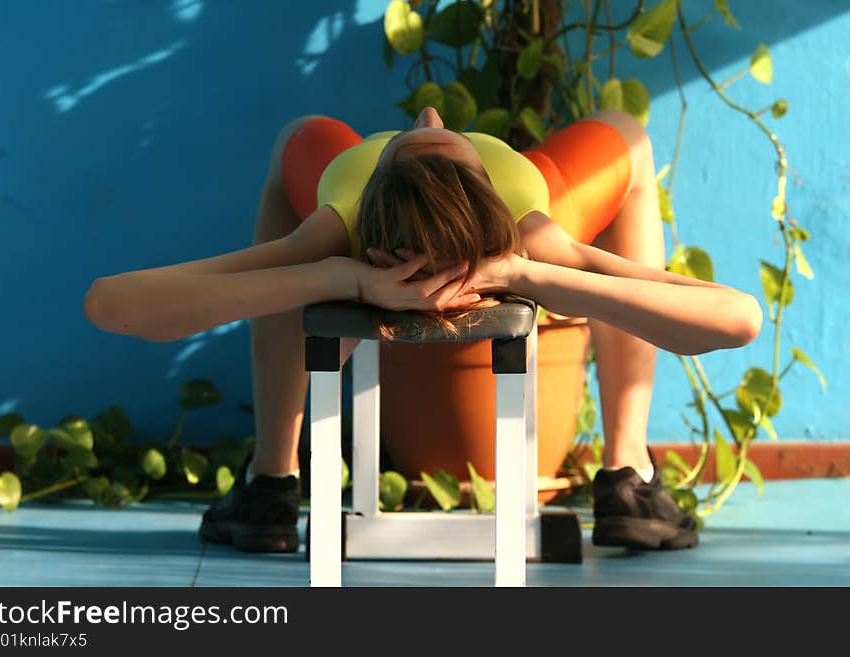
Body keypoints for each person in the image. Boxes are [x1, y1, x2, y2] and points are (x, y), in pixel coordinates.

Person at [83, 106, 763, 553]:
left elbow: (107, 302)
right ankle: (628, 473)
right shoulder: (532, 231)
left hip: (356, 229)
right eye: (445, 137)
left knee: (300, 135)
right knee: (631, 140)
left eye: (413, 136)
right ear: (491, 197)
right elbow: (740, 317)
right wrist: (533, 272)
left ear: (373, 183)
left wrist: (329, 271)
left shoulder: (335, 226)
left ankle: (271, 479)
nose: (432, 111)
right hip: (511, 238)